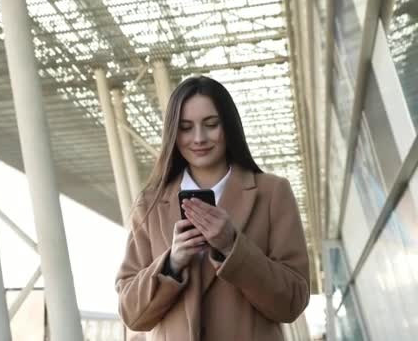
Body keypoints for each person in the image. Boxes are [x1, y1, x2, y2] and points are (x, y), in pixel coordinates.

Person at [115, 76, 310, 340]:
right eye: (185, 127)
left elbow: (293, 302)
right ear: (173, 132)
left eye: (211, 124)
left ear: (228, 126)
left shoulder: (272, 193)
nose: (199, 138)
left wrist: (232, 247)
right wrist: (171, 264)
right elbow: (131, 314)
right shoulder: (150, 204)